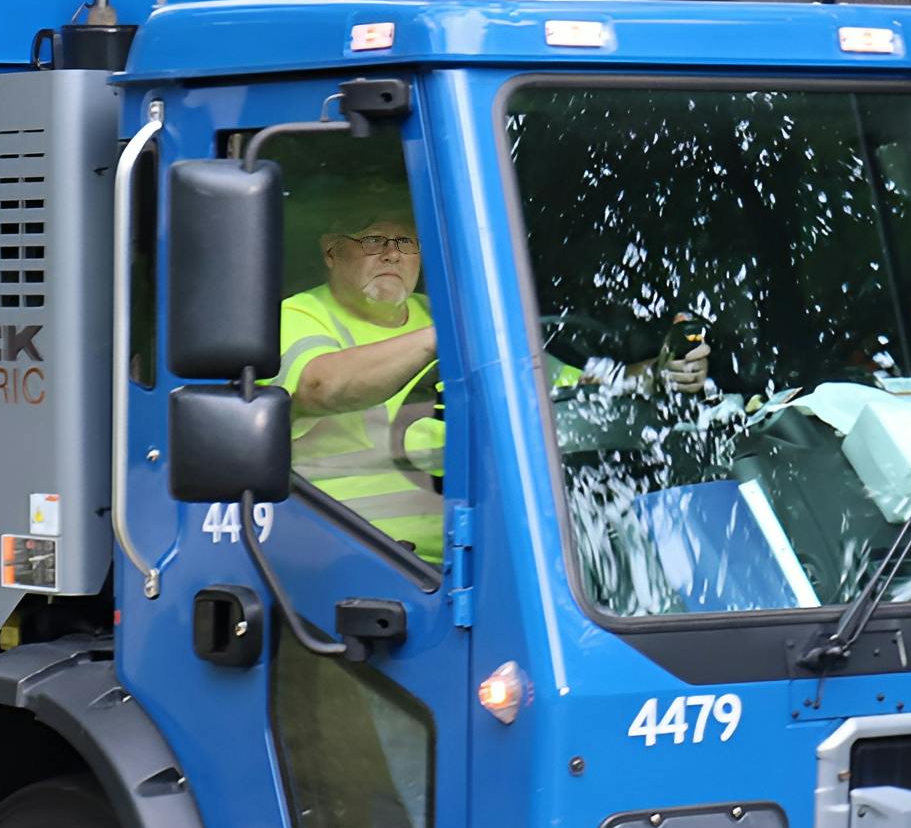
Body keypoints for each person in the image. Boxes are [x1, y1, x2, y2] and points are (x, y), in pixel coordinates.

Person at [277, 202, 710, 562]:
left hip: (474, 555)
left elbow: (571, 386)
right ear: (332, 251)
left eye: (406, 241)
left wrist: (657, 373)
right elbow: (320, 387)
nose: (392, 254)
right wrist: (443, 336)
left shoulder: (445, 313)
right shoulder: (296, 316)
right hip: (351, 560)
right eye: (373, 239)